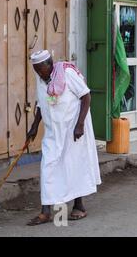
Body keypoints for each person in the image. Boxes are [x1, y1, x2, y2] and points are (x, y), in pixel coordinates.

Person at [26, 50, 101, 226]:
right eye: (35, 70)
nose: (38, 73)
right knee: (48, 166)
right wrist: (35, 126)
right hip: (53, 132)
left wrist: (80, 125)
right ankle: (45, 212)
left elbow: (86, 96)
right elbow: (41, 103)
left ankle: (79, 206)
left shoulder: (67, 73)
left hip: (73, 129)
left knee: (73, 166)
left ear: (49, 65)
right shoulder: (41, 78)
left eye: (40, 69)